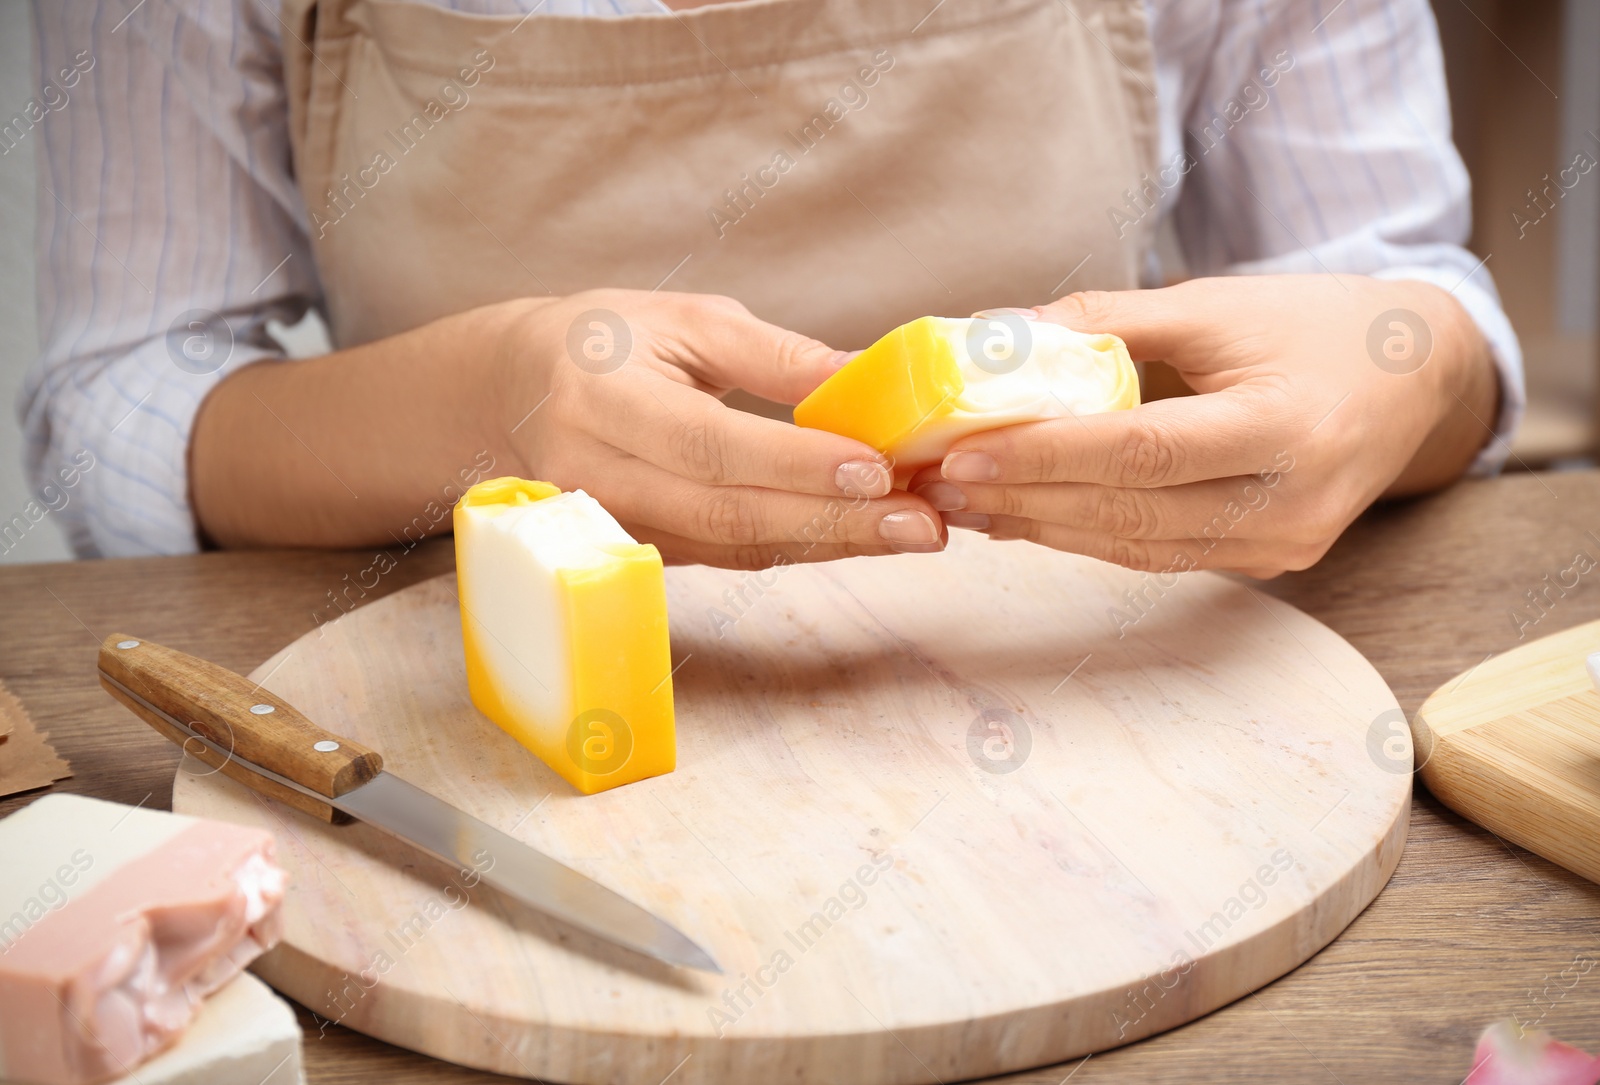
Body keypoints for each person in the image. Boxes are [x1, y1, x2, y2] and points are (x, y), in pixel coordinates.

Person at [23, 0, 1520, 578]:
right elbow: (115, 403)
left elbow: (1406, 297)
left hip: (1098, 714)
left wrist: (1403, 374)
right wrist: (483, 404)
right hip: (479, 745)